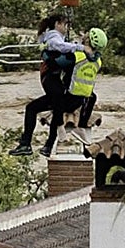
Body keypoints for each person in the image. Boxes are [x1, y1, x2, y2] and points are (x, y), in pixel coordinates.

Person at [10, 23, 104, 157]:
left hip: (66, 96)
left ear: (88, 41)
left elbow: (54, 62)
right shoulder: (97, 61)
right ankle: (48, 146)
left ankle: (25, 144)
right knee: (56, 106)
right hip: (79, 101)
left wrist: (45, 51)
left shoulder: (77, 56)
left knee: (32, 108)